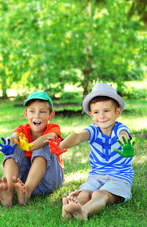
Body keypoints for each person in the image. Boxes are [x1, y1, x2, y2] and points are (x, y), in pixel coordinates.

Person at [57, 83, 135, 220]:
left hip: (119, 177)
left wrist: (125, 143)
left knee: (99, 194)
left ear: (117, 112)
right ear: (92, 116)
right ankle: (70, 211)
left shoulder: (120, 128)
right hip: (96, 176)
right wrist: (60, 145)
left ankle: (84, 211)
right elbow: (79, 136)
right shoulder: (93, 130)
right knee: (85, 193)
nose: (102, 116)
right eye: (97, 112)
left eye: (106, 111)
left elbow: (123, 134)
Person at [0, 91, 64, 206]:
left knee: (45, 143)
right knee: (14, 147)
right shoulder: (22, 129)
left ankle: (27, 192)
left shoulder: (53, 128)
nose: (36, 116)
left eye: (42, 111)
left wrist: (30, 146)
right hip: (23, 180)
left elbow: (50, 137)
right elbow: (14, 136)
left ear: (51, 115)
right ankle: (9, 191)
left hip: (49, 181)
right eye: (32, 111)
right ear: (26, 114)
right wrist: (9, 142)